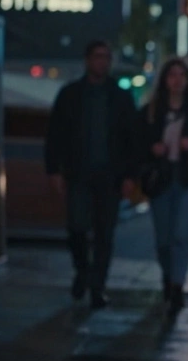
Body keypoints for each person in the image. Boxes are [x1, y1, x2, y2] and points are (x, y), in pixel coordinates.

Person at [45, 40, 139, 310]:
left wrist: (130, 175)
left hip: (110, 175)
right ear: (88, 60)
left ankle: (97, 286)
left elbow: (131, 139)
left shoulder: (119, 98)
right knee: (76, 227)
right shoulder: (71, 95)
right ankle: (82, 271)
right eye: (98, 57)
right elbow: (55, 135)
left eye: (106, 58)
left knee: (105, 233)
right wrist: (54, 170)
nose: (102, 62)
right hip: (79, 173)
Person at [137, 58, 188, 314]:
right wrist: (152, 149)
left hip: (187, 177)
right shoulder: (151, 113)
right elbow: (134, 144)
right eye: (172, 75)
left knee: (181, 233)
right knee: (163, 237)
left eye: (181, 75)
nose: (177, 80)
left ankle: (177, 284)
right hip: (160, 178)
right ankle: (168, 275)